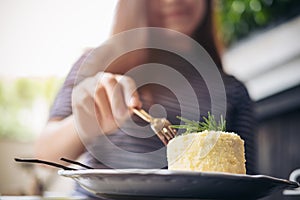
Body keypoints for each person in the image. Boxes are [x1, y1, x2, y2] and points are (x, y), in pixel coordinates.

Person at [35, 0, 256, 197]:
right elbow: (45, 155)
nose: (173, 1)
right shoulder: (96, 63)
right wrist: (85, 122)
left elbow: (247, 184)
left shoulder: (232, 90)